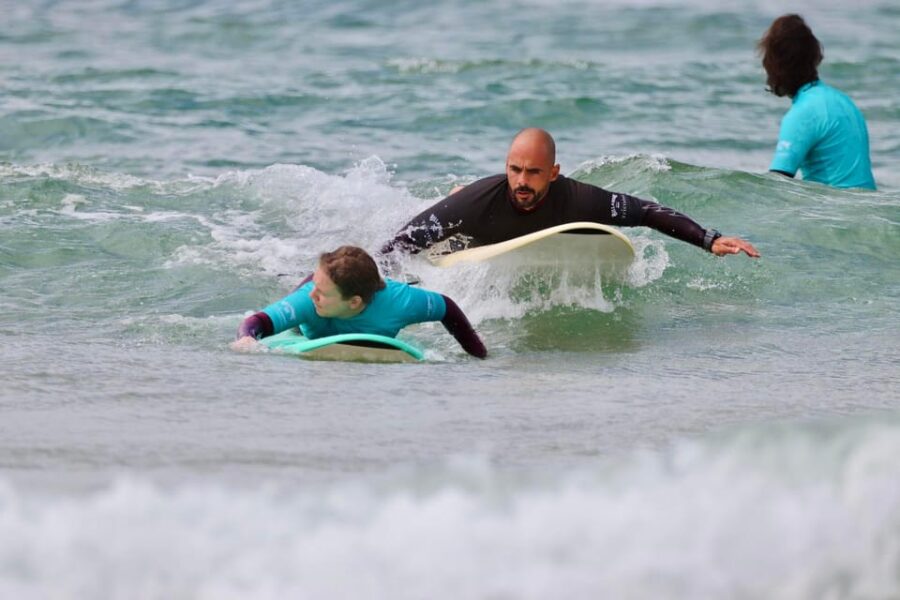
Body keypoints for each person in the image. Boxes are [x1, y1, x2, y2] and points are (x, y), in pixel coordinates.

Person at [380, 128, 760, 259]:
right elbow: (399, 244)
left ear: (554, 173)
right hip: (472, 231)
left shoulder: (579, 200)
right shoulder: (481, 200)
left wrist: (709, 239)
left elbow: (646, 211)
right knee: (455, 210)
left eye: (533, 172)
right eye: (514, 170)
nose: (522, 181)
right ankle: (454, 195)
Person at [235, 245, 487, 358]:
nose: (314, 295)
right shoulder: (307, 300)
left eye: (321, 292)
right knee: (294, 320)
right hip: (308, 326)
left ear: (354, 302)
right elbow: (256, 322)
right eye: (316, 288)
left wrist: (478, 355)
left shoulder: (399, 301)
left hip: (367, 292)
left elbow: (447, 308)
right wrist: (247, 339)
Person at [758, 14, 876, 190]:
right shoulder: (843, 101)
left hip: (836, 212)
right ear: (814, 57)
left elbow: (776, 184)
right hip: (868, 209)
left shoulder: (804, 113)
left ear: (775, 66)